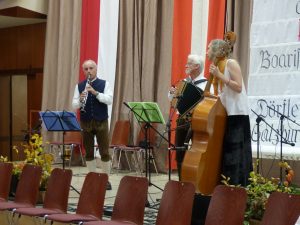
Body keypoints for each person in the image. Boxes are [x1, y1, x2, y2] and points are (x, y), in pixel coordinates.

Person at [207, 32, 253, 186]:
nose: (207, 51)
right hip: (227, 113)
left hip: (237, 113)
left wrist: (220, 75)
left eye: (208, 49)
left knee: (236, 154)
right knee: (228, 153)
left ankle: (238, 187)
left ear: (217, 50)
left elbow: (239, 87)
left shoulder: (230, 64)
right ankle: (225, 187)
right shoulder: (217, 66)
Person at [72, 59, 113, 190]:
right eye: (86, 69)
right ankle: (93, 178)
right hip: (85, 122)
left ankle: (106, 180)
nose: (89, 71)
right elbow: (74, 105)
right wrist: (80, 99)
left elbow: (109, 100)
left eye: (91, 68)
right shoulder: (79, 86)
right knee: (89, 152)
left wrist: (95, 93)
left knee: (104, 152)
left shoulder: (104, 83)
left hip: (101, 121)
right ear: (83, 71)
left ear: (95, 69)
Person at [168, 54, 208, 181]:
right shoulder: (184, 83)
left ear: (196, 66)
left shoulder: (207, 84)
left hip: (199, 121)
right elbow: (173, 102)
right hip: (182, 120)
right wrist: (171, 94)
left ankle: (197, 179)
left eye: (189, 63)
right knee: (180, 151)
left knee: (197, 151)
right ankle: (181, 181)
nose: (186, 65)